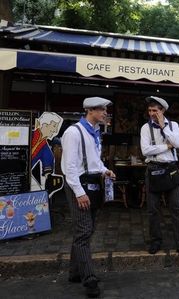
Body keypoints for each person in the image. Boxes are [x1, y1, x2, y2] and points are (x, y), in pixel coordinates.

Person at [61, 97, 116, 298]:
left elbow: (93, 161)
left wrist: (104, 170)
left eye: (105, 110)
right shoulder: (73, 132)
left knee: (87, 229)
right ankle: (89, 279)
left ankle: (75, 273)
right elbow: (70, 167)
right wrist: (79, 192)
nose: (105, 113)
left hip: (92, 183)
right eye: (102, 110)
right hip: (79, 185)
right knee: (84, 231)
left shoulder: (95, 131)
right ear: (90, 110)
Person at [140, 96, 179, 260]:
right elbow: (145, 150)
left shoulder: (174, 125)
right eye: (150, 110)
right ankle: (156, 241)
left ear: (162, 111)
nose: (151, 113)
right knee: (153, 210)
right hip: (153, 169)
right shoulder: (145, 128)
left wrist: (164, 127)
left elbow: (178, 144)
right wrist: (166, 146)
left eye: (155, 110)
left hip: (171, 170)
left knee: (178, 208)